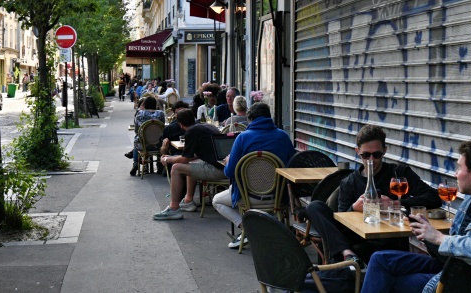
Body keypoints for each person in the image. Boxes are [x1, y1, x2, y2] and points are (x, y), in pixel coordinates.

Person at [359, 140, 471, 293]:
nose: (455, 174)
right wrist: (427, 234)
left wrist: (439, 237)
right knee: (380, 259)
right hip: (452, 267)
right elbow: (452, 250)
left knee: (389, 280)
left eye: (459, 168)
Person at [306, 124, 441, 265]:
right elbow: (341, 219)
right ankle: (348, 254)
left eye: (376, 154)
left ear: (384, 151)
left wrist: (395, 204)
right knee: (314, 207)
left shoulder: (399, 173)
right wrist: (354, 208)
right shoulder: (349, 182)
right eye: (366, 155)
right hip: (358, 240)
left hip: (389, 242)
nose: (371, 160)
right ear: (357, 152)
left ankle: (346, 261)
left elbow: (434, 197)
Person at [213, 101, 296, 248]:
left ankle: (247, 229)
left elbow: (230, 172)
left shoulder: (243, 138)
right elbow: (293, 165)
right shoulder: (283, 136)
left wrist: (228, 162)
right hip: (278, 196)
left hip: (248, 196)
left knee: (217, 201)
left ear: (250, 119)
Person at [153, 109, 224, 220]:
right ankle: (188, 200)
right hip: (224, 166)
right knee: (190, 165)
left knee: (176, 168)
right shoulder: (207, 126)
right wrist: (171, 158)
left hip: (217, 169)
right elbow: (194, 156)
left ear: (180, 124)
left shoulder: (191, 132)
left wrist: (167, 159)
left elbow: (184, 159)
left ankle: (174, 208)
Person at [127, 96, 165, 176]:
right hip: (158, 145)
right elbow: (163, 128)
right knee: (163, 138)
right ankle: (160, 166)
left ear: (145, 104)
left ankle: (136, 163)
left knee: (137, 139)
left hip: (143, 145)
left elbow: (137, 130)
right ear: (155, 104)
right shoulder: (161, 113)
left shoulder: (140, 113)